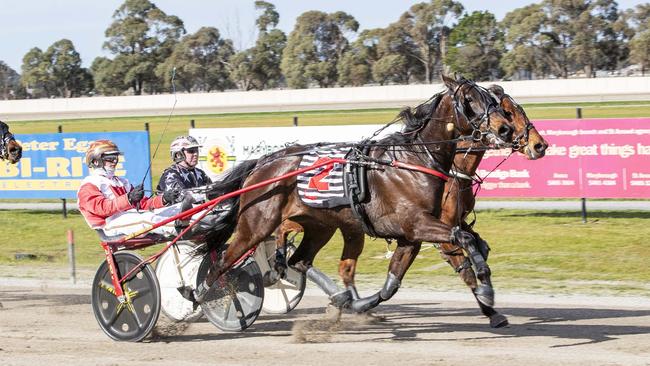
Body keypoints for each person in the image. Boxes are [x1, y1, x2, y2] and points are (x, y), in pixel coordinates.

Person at [77, 139, 181, 238]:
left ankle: (193, 223)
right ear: (96, 161)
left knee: (176, 208)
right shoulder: (89, 184)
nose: (114, 162)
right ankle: (181, 229)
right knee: (146, 219)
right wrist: (129, 198)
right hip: (109, 225)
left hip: (131, 217)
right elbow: (103, 208)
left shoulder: (122, 182)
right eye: (109, 158)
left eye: (115, 158)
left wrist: (164, 199)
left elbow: (143, 205)